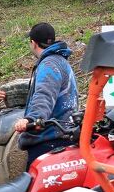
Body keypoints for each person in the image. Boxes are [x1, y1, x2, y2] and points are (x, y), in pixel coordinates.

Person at [13, 22, 79, 166]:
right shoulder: (62, 61)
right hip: (65, 134)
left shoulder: (49, 64)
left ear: (33, 43)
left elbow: (44, 95)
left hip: (49, 140)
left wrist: (31, 119)